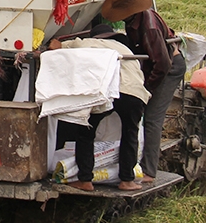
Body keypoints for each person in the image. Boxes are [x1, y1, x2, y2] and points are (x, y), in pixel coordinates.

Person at [100, 0, 186, 183]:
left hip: (169, 68)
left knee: (152, 118)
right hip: (157, 67)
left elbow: (163, 64)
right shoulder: (134, 21)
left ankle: (149, 170)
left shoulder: (149, 28)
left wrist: (146, 90)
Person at [49, 24, 149, 191]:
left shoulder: (98, 43)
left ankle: (85, 180)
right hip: (135, 93)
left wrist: (58, 45)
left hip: (111, 91)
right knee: (130, 135)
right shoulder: (126, 49)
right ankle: (127, 180)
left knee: (86, 132)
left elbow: (76, 45)